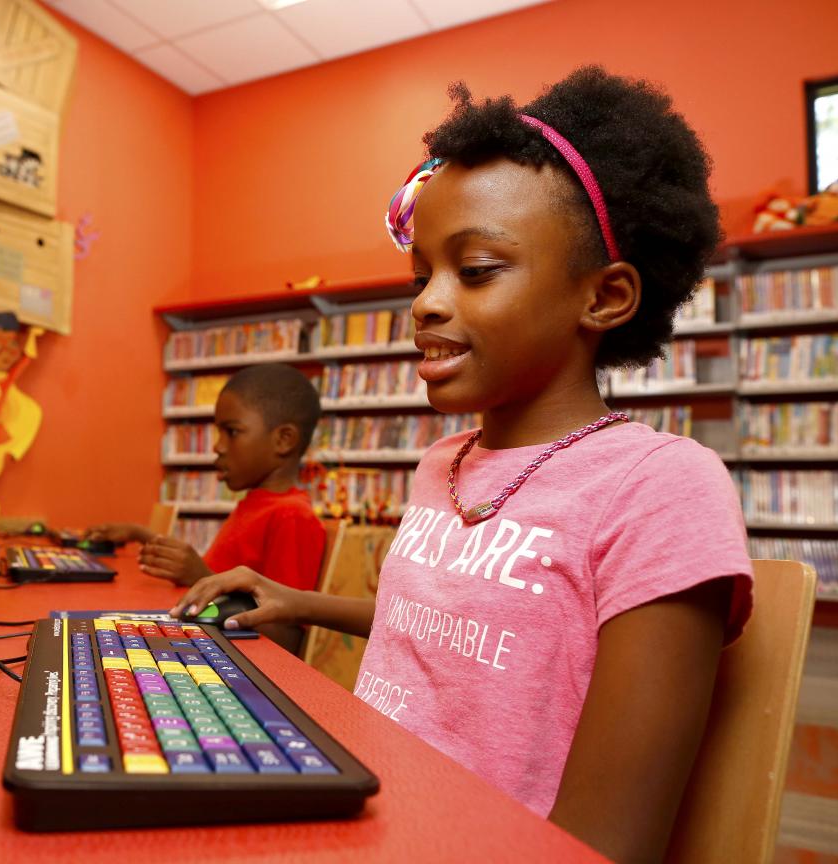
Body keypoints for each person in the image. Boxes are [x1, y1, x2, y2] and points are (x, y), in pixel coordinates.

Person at [172, 67, 753, 862]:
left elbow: (604, 843)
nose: (426, 304)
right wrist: (295, 600)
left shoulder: (659, 488)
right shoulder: (443, 461)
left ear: (606, 297)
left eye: (475, 271)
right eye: (421, 277)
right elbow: (455, 625)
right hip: (355, 806)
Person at [89, 363, 326, 594]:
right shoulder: (258, 504)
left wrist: (201, 577)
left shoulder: (292, 517)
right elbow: (217, 571)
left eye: (231, 432)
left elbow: (286, 630)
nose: (218, 446)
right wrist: (138, 533)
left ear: (284, 440)